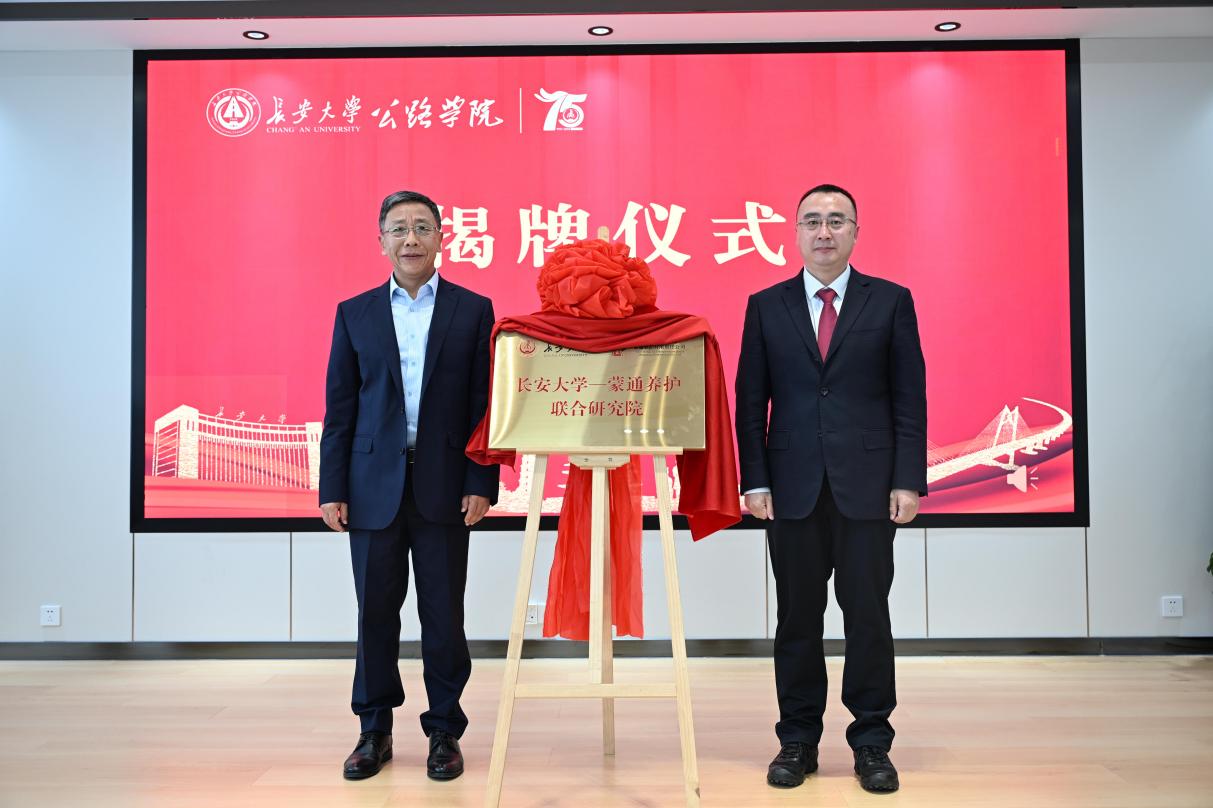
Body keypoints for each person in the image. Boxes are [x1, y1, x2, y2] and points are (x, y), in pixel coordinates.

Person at [735, 183, 927, 794]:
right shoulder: (766, 305)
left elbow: (909, 397)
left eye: (837, 221)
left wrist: (907, 479)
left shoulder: (890, 301)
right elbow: (750, 402)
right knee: (797, 618)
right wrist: (754, 478)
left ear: (855, 232)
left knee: (868, 615)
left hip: (868, 488)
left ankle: (872, 743)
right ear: (795, 232)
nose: (824, 232)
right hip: (790, 488)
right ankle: (798, 739)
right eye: (813, 221)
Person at [319, 189, 499, 781]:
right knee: (375, 613)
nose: (411, 238)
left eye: (422, 227)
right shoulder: (355, 313)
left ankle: (445, 729)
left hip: (446, 485)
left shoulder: (473, 310)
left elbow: (486, 405)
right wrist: (332, 486)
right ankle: (374, 730)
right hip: (372, 486)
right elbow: (340, 409)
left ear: (442, 238)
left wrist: (482, 479)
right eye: (398, 229)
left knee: (443, 615)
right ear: (381, 242)